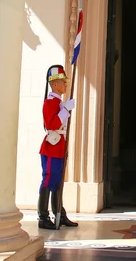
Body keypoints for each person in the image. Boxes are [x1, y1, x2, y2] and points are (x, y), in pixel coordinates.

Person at [37, 64, 79, 230]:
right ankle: (43, 217)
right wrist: (66, 110)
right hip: (51, 148)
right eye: (63, 81)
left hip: (59, 147)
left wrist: (65, 108)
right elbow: (51, 123)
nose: (65, 84)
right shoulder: (50, 102)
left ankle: (58, 213)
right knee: (48, 180)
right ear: (54, 84)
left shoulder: (59, 103)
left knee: (57, 182)